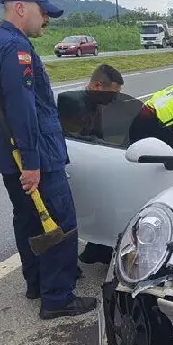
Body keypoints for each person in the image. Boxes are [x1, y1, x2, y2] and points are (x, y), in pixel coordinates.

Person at [0, 0, 96, 319]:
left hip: (6, 151)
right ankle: (58, 297)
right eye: (42, 12)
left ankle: (37, 283)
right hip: (34, 152)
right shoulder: (16, 49)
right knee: (60, 219)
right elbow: (21, 108)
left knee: (27, 217)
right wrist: (32, 162)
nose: (46, 19)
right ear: (20, 8)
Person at [57, 64, 126, 265]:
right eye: (111, 94)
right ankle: (69, 264)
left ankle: (97, 248)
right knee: (73, 215)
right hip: (73, 163)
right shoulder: (74, 102)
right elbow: (77, 137)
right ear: (97, 86)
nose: (113, 99)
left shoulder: (95, 103)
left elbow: (97, 134)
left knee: (102, 205)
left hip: (91, 158)